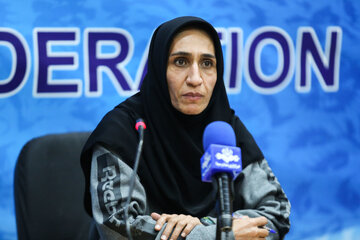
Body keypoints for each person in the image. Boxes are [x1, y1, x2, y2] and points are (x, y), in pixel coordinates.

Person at [80, 16, 290, 240]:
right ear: (160, 67)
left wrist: (206, 226)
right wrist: (213, 235)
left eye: (207, 64)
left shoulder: (223, 129)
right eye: (180, 61)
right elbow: (119, 228)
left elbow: (277, 216)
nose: (195, 78)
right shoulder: (124, 131)